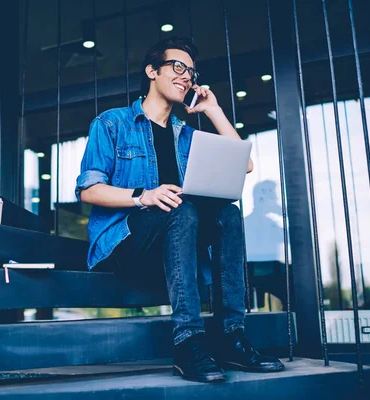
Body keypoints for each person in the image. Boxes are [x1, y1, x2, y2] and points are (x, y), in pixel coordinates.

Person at [75, 36, 284, 383]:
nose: (186, 76)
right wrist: (144, 195)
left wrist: (213, 110)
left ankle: (232, 335)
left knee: (227, 214)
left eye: (191, 71)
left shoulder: (185, 135)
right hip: (124, 242)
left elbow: (243, 164)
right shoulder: (111, 124)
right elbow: (89, 190)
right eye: (177, 67)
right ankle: (188, 341)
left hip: (175, 240)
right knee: (181, 209)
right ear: (152, 71)